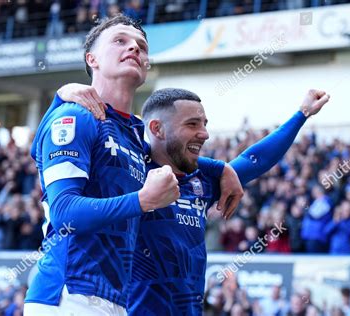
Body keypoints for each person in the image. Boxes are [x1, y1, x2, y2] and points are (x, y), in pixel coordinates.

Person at [24, 15, 244, 315]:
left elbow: (172, 153)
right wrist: (143, 200)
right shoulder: (75, 117)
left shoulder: (132, 135)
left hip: (115, 301)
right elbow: (64, 213)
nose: (134, 49)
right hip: (68, 294)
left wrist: (221, 169)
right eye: (120, 41)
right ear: (92, 59)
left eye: (141, 46)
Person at [56, 85, 329, 314]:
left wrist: (302, 114)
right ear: (157, 129)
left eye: (205, 124)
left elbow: (255, 161)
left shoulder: (202, 181)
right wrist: (61, 95)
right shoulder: (130, 175)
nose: (205, 133)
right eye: (192, 124)